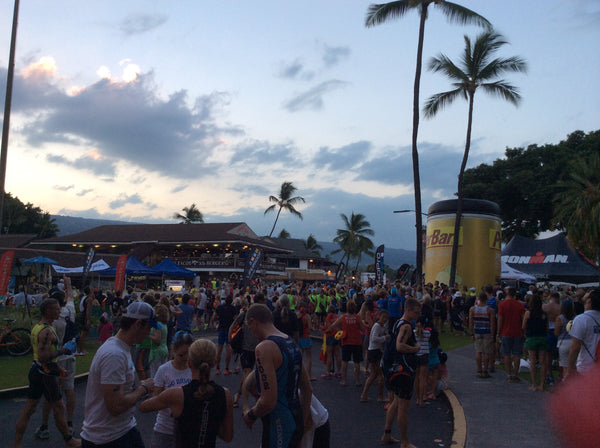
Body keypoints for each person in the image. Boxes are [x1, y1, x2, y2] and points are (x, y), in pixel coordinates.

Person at [80, 302, 158, 447]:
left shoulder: (121, 349)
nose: (150, 333)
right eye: (149, 327)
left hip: (121, 431)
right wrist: (143, 389)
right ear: (138, 324)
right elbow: (115, 406)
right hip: (107, 438)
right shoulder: (114, 355)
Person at [140, 338, 233, 448]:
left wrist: (144, 388)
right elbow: (227, 436)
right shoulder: (225, 394)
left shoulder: (176, 395)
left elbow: (144, 407)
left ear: (189, 363)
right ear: (214, 362)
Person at [242, 304, 312, 448]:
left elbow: (268, 400)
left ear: (253, 322)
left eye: (250, 327)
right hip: (295, 417)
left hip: (278, 422)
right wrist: (302, 422)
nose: (252, 332)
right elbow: (308, 389)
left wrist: (251, 415)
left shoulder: (264, 348)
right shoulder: (290, 341)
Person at [13, 298, 80, 448]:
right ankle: (69, 440)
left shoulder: (39, 327)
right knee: (58, 408)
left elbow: (40, 357)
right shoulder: (47, 331)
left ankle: (17, 444)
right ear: (48, 311)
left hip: (39, 370)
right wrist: (62, 351)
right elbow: (44, 357)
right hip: (45, 374)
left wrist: (58, 369)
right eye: (56, 309)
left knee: (30, 409)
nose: (59, 311)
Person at [37, 277, 79, 441]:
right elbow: (70, 297)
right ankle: (69, 422)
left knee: (49, 394)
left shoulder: (51, 321)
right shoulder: (69, 310)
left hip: (54, 358)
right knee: (69, 389)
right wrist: (68, 284)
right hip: (69, 355)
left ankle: (45, 425)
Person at [381, 298, 421, 447]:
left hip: (394, 368)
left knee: (395, 403)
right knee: (403, 409)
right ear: (408, 310)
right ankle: (404, 441)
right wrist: (415, 349)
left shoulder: (398, 322)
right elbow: (399, 346)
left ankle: (386, 434)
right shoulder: (406, 327)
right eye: (416, 312)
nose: (418, 315)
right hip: (403, 370)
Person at [146, 331, 194, 448]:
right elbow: (156, 398)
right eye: (182, 355)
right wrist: (172, 407)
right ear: (174, 350)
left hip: (187, 428)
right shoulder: (164, 370)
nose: (186, 358)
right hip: (165, 428)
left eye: (189, 354)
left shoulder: (194, 369)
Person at [328, 300, 366, 387]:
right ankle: (357, 380)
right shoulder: (357, 317)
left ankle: (344, 380)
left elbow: (332, 326)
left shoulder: (343, 317)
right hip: (356, 341)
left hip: (346, 341)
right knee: (357, 362)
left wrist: (341, 331)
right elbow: (363, 329)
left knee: (345, 361)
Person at [566, 288, 600, 378]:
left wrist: (569, 370)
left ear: (589, 301)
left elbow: (575, 347)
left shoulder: (581, 319)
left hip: (586, 368)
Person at [497, 287, 525, 383]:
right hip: (518, 332)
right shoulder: (520, 305)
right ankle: (516, 374)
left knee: (506, 354)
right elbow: (523, 319)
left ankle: (508, 374)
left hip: (506, 332)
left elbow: (500, 319)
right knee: (517, 354)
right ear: (515, 295)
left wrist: (498, 332)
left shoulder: (502, 304)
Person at [361, 310, 389, 402]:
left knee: (374, 375)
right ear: (379, 316)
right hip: (374, 351)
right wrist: (384, 338)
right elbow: (373, 338)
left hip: (376, 351)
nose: (385, 319)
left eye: (386, 317)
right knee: (379, 375)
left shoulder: (382, 326)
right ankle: (380, 396)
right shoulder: (377, 326)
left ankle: (365, 394)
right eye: (383, 317)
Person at [522, 294, 549, 391]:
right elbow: (547, 327)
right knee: (543, 362)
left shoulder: (528, 313)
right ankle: (542, 384)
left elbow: (523, 326)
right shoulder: (544, 314)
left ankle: (534, 384)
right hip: (542, 337)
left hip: (531, 337)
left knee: (532, 362)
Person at [469, 292, 496, 378]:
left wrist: (471, 333)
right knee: (486, 352)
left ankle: (479, 370)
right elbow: (492, 324)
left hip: (477, 331)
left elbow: (471, 322)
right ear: (486, 299)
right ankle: (485, 370)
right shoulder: (490, 310)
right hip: (487, 332)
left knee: (478, 351)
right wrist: (493, 335)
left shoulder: (472, 309)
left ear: (478, 299)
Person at [213, 295, 238, 375]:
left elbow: (214, 317)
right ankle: (227, 368)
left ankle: (217, 368)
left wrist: (219, 319)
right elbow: (236, 319)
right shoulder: (233, 309)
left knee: (219, 348)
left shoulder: (219, 307)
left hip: (221, 328)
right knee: (228, 348)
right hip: (229, 329)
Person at [554, 298, 574, 382]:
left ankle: (567, 388)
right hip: (574, 342)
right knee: (573, 367)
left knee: (565, 368)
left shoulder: (560, 318)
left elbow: (557, 332)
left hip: (563, 343)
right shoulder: (576, 318)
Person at [148, 304, 170, 379]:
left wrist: (148, 335)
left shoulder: (157, 325)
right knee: (164, 374)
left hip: (156, 351)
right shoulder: (164, 324)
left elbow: (157, 340)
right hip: (164, 349)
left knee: (155, 375)